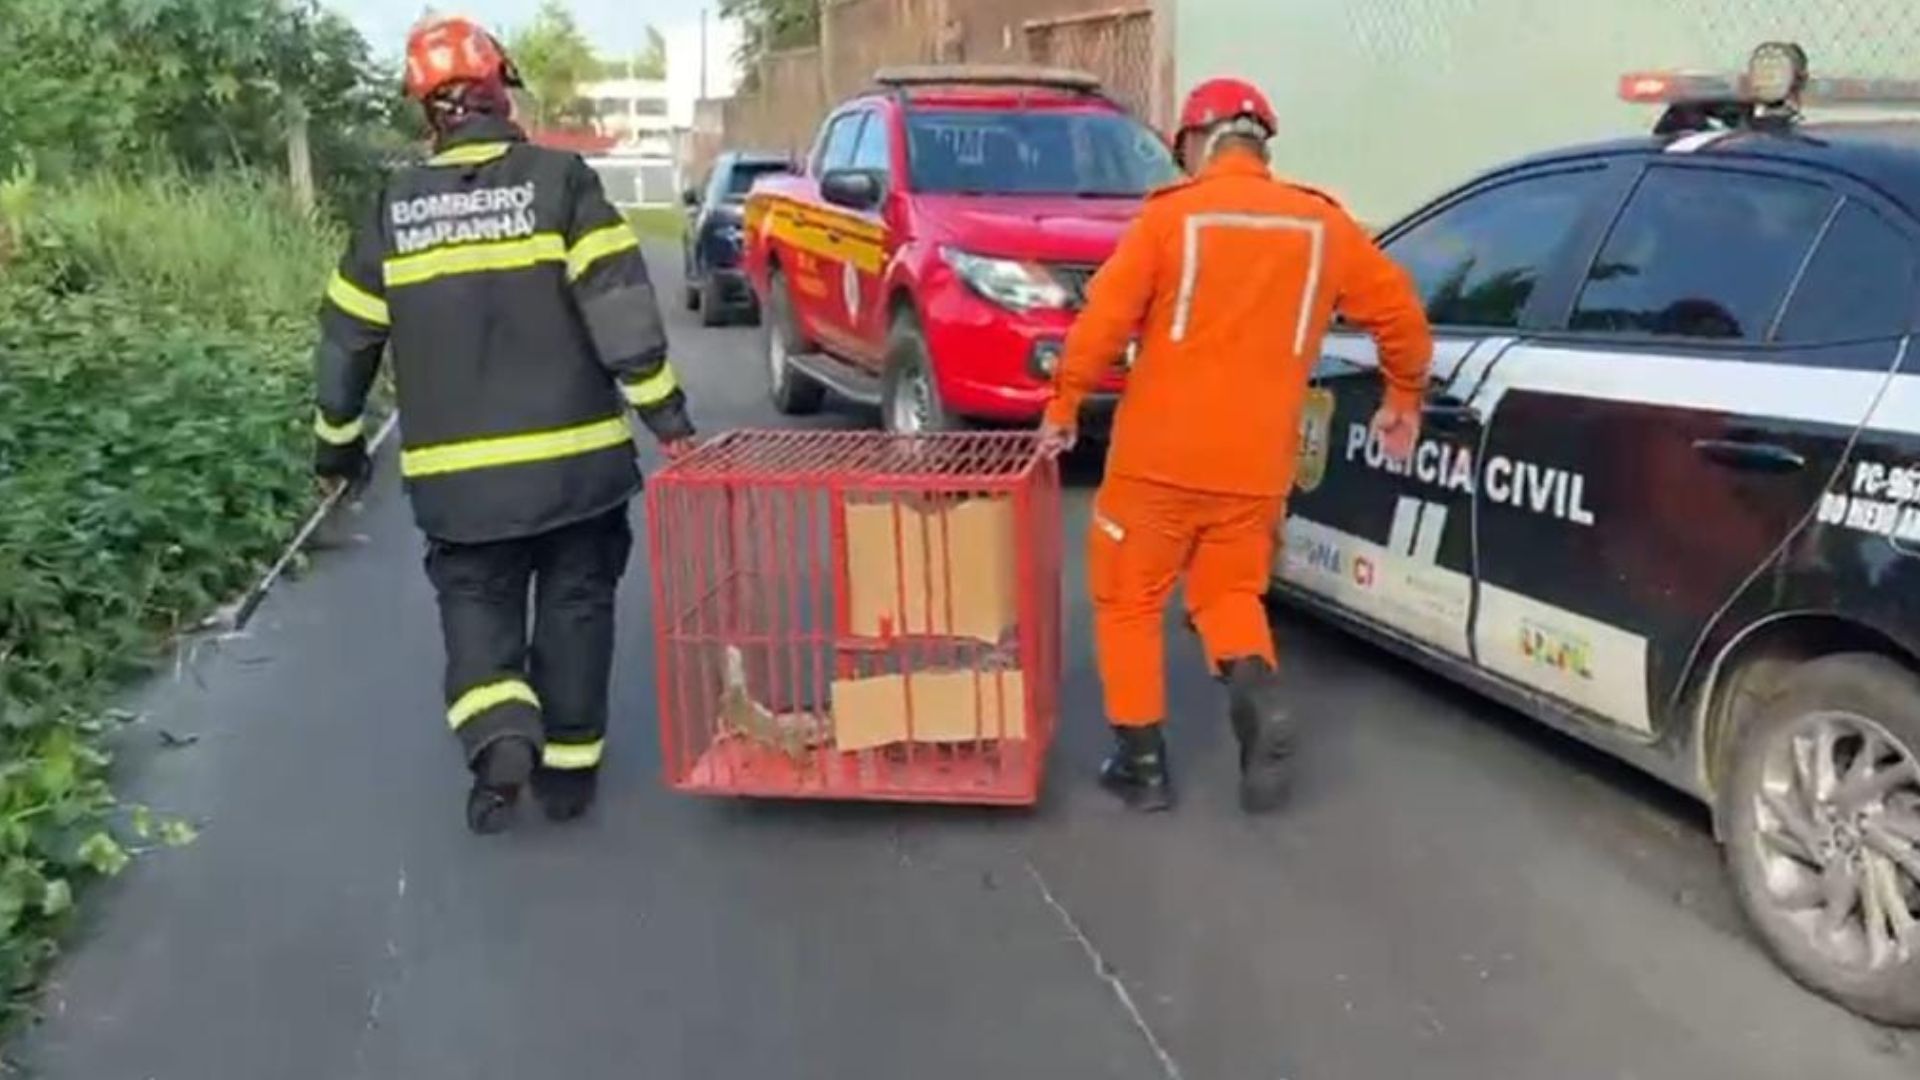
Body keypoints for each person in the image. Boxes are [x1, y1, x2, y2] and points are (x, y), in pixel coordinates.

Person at [311, 16, 695, 835]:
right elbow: (621, 311)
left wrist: (337, 444)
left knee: (476, 605)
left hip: (460, 486)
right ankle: (568, 777)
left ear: (428, 114)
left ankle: (497, 733)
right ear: (499, 93)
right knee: (578, 606)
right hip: (578, 471)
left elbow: (348, 335)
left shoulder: (393, 207)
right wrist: (670, 420)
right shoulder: (562, 184)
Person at [1038, 77, 1431, 814]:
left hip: (1157, 461)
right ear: (1261, 143)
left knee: (1127, 597)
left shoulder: (1170, 220)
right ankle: (1258, 694)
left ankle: (1141, 764)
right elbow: (1402, 315)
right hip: (1257, 466)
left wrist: (1063, 404)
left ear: (1197, 141)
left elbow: (1102, 326)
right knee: (1228, 593)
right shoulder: (1323, 225)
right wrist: (1402, 397)